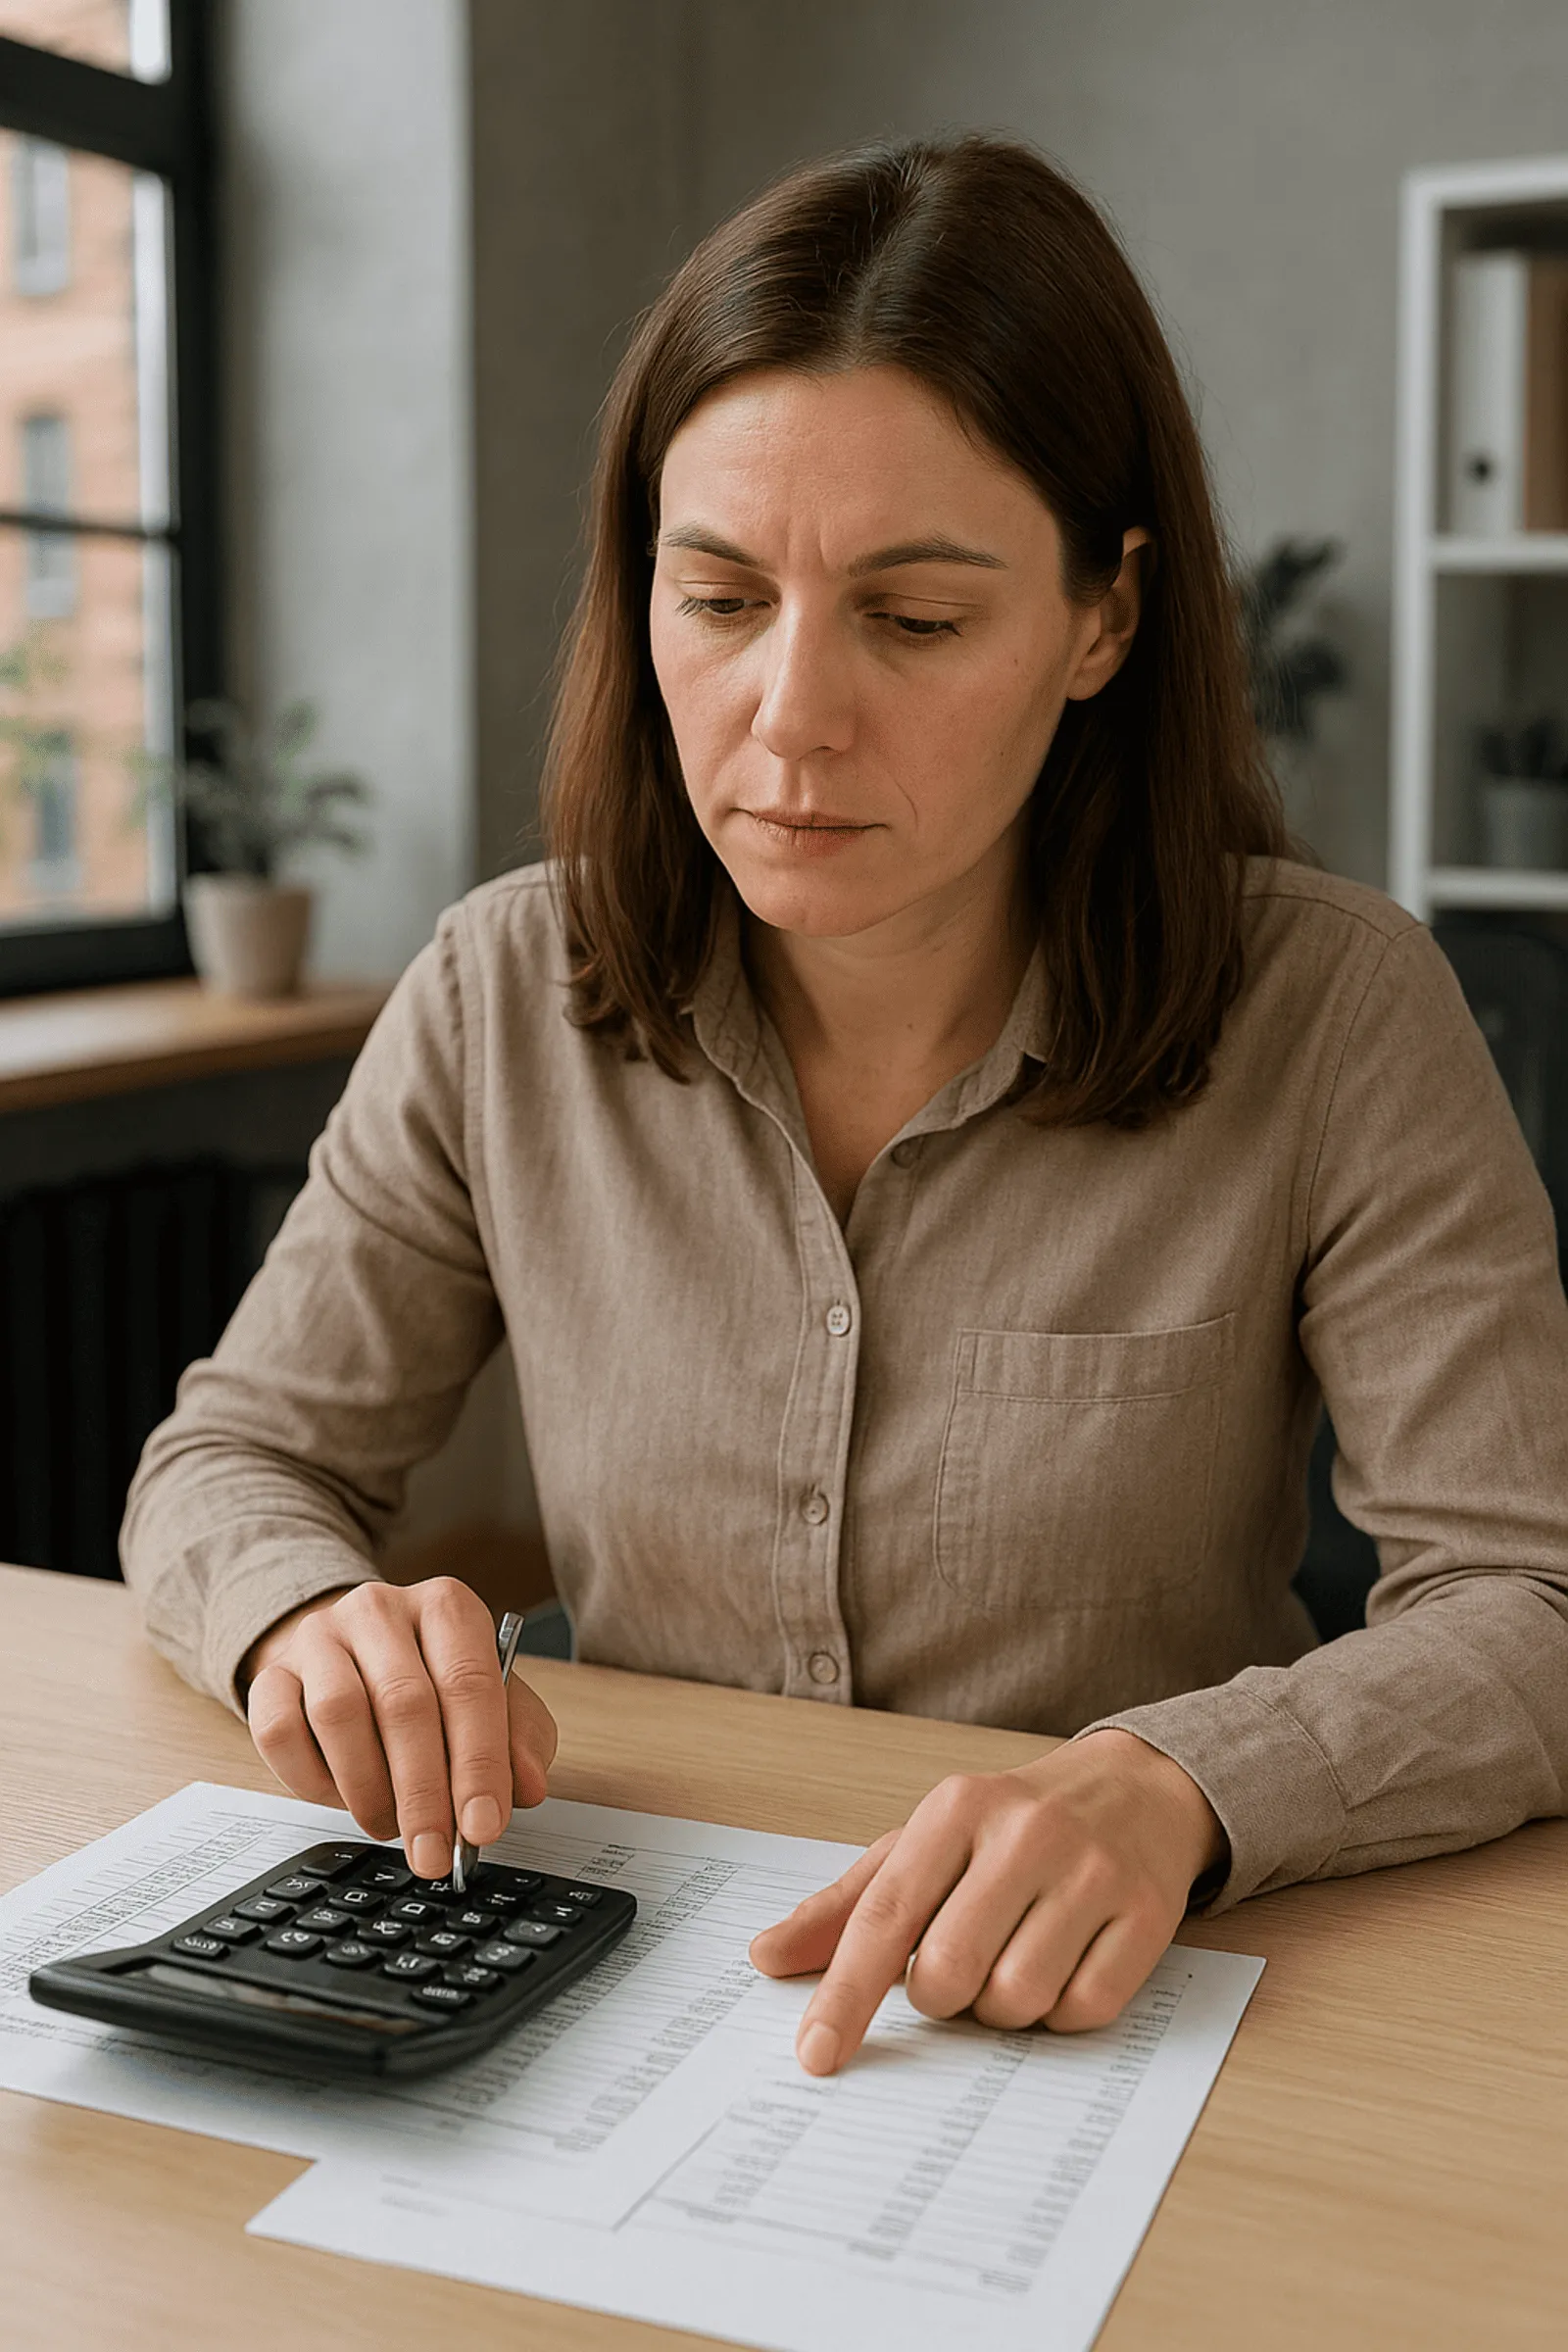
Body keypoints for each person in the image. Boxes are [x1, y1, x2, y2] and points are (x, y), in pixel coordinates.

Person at [124, 134, 1568, 2082]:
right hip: (622, 1980)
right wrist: (305, 1617)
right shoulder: (497, 986)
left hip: (1105, 2003)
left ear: (1100, 620)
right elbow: (227, 1465)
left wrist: (1176, 1784)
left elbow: (1529, 1600)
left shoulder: (1328, 1010)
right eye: (716, 595)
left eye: (911, 618)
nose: (789, 715)